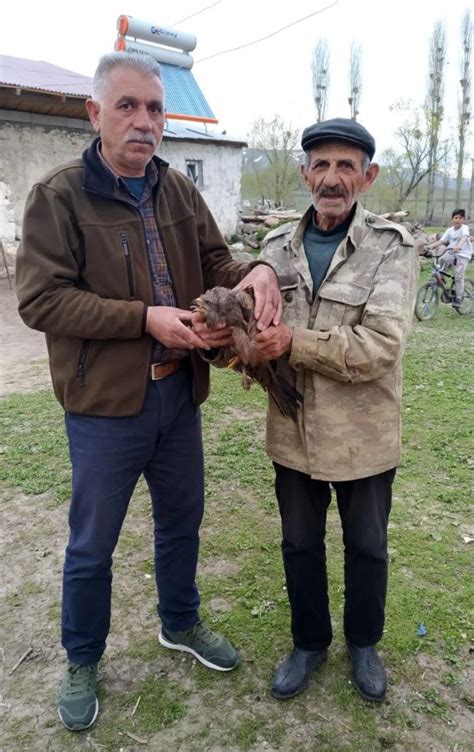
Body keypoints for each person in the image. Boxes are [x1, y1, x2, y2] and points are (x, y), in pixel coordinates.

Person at [15, 52, 280, 731]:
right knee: (91, 544)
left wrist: (253, 274)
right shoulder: (59, 195)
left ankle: (180, 621)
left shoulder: (177, 191)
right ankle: (82, 658)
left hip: (178, 396)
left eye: (156, 109)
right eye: (128, 106)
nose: (144, 122)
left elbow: (217, 261)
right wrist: (144, 318)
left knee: (181, 522)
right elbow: (43, 300)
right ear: (95, 112)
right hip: (105, 406)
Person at [253, 118, 418, 702]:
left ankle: (364, 643)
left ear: (367, 177)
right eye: (320, 165)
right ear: (304, 173)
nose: (331, 178)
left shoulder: (392, 248)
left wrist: (292, 344)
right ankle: (309, 641)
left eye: (346, 166)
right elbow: (255, 333)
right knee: (299, 542)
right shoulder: (273, 251)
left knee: (367, 544)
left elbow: (381, 345)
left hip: (363, 434)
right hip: (292, 431)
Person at [426, 209, 472, 307]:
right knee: (442, 259)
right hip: (451, 252)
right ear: (452, 219)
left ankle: (459, 297)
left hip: (463, 254)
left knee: (458, 275)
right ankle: (442, 278)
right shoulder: (450, 230)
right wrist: (431, 246)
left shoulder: (464, 228)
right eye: (456, 218)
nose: (458, 220)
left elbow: (464, 237)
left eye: (460, 218)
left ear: (463, 220)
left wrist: (459, 245)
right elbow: (442, 241)